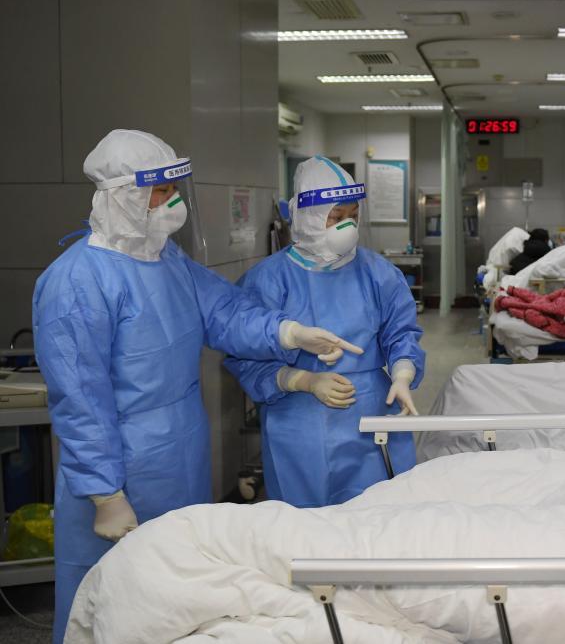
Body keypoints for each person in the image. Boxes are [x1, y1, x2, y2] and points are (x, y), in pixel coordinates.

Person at [33, 130, 360, 644]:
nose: (174, 203)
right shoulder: (76, 281)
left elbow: (225, 313)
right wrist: (104, 492)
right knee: (108, 598)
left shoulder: (168, 261)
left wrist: (288, 333)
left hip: (182, 450)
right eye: (160, 192)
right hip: (122, 465)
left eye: (174, 190)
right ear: (123, 196)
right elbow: (80, 400)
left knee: (175, 593)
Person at [224, 155, 425, 508]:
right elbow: (244, 354)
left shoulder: (378, 273)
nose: (347, 226)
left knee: (379, 517)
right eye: (336, 216)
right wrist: (301, 380)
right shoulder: (267, 280)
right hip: (297, 421)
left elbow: (401, 332)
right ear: (307, 216)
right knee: (305, 523)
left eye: (353, 215)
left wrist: (403, 374)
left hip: (372, 412)